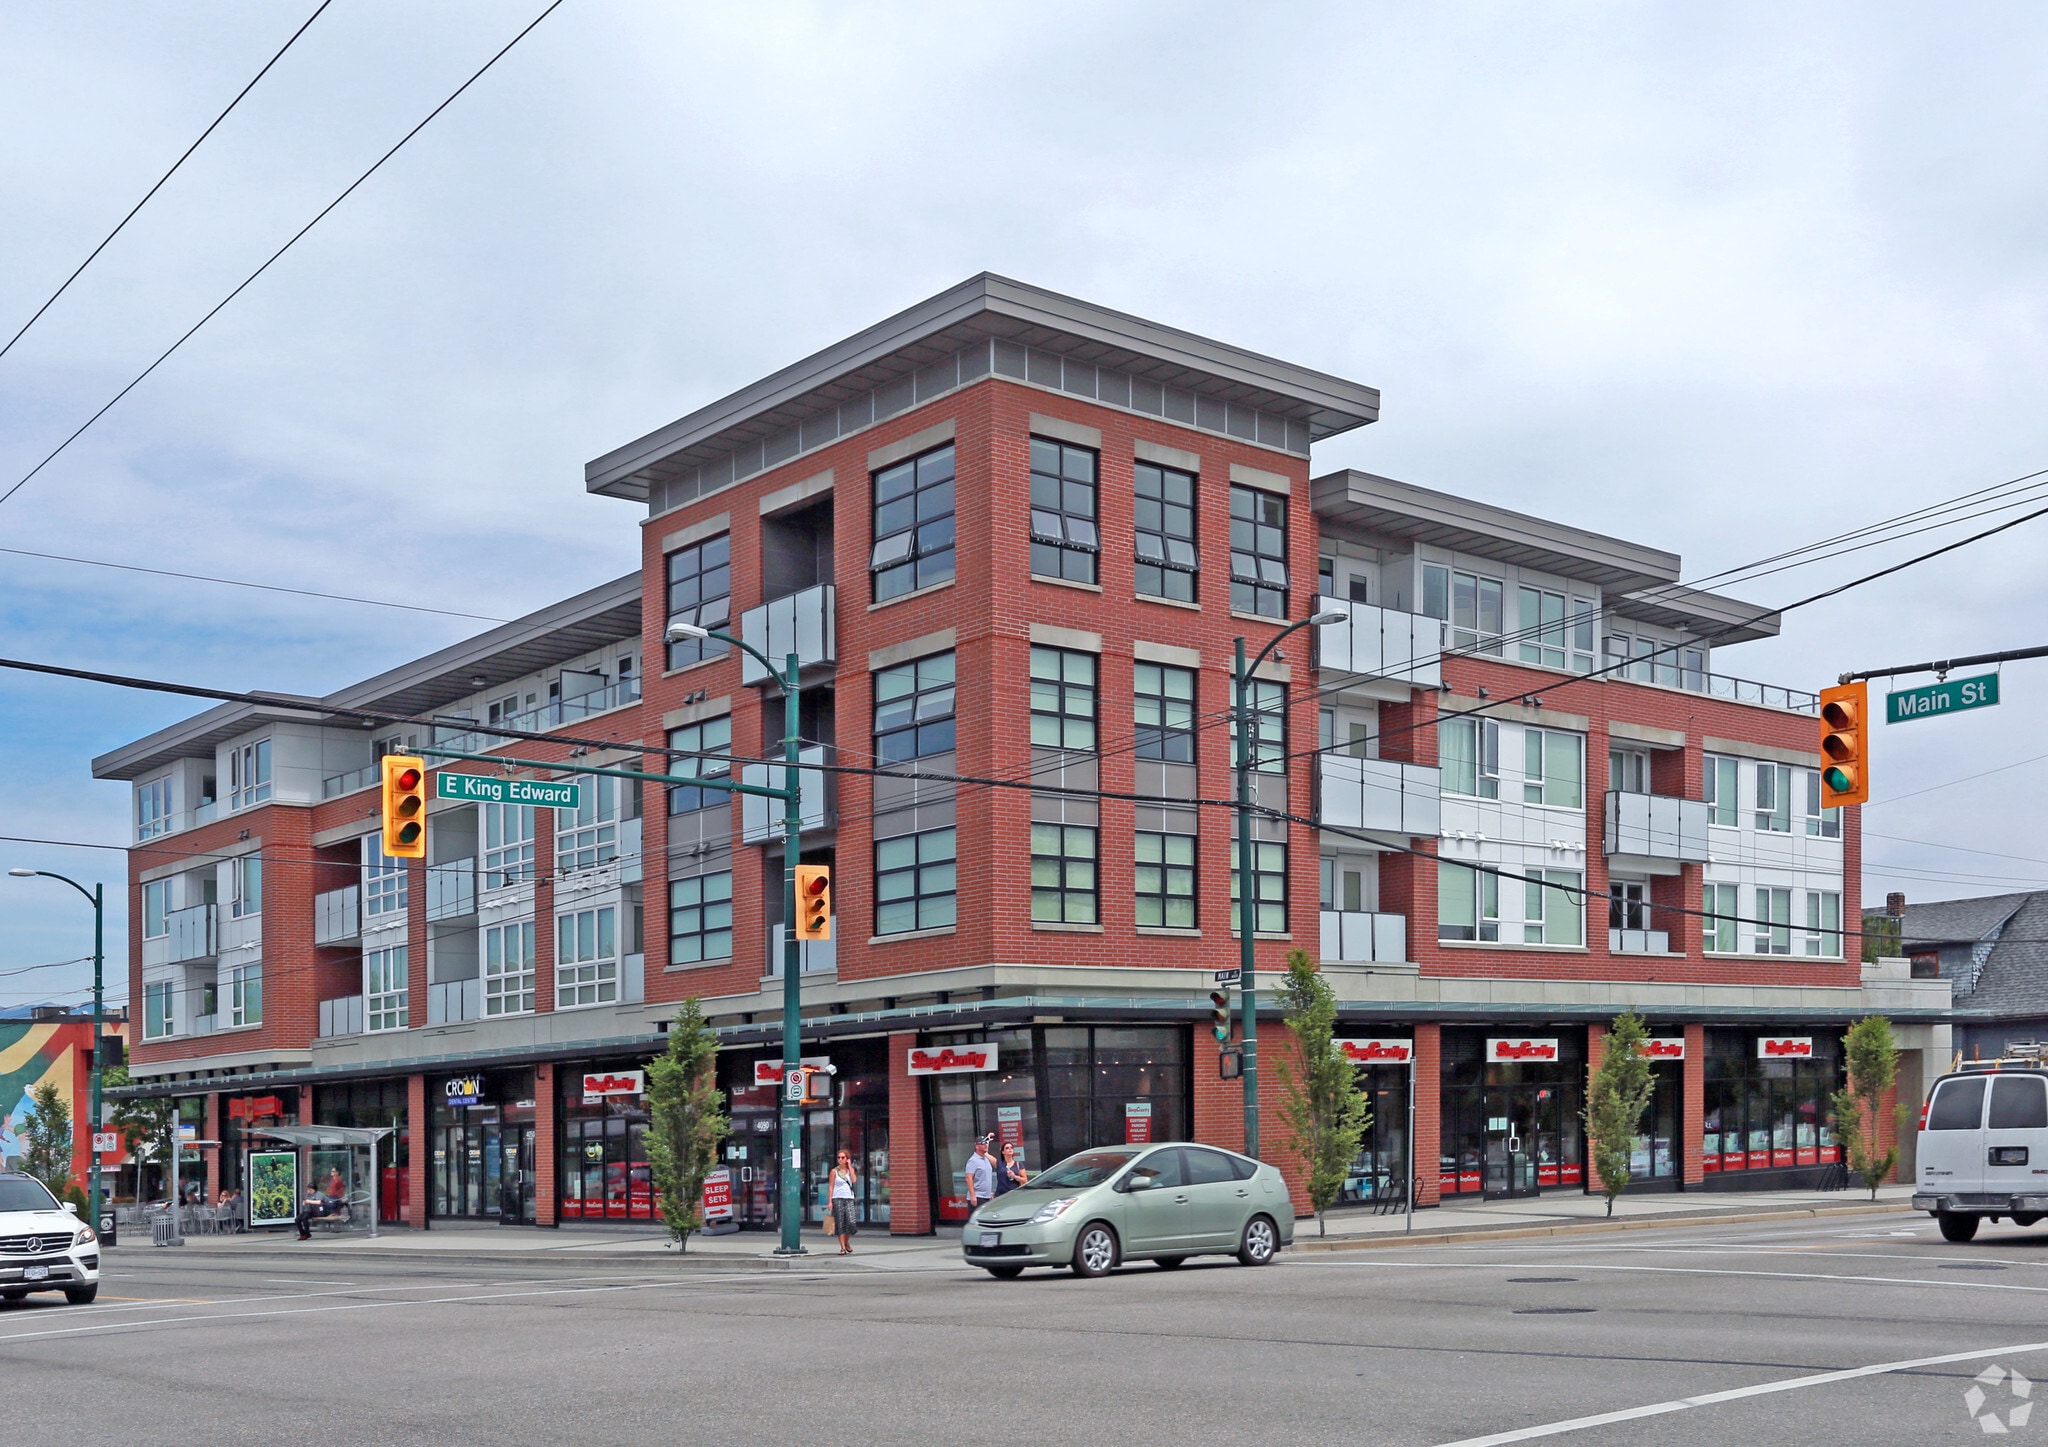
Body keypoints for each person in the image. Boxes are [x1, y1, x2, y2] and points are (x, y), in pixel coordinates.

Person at [828, 1149, 859, 1255]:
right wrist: (830, 1202)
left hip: (849, 1198)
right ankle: (842, 1248)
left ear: (847, 1159)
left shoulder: (851, 1170)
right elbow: (831, 1186)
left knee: (851, 1222)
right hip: (837, 1198)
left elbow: (854, 1180)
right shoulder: (834, 1171)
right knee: (840, 1223)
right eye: (839, 1157)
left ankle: (846, 1242)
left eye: (843, 1158)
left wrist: (850, 1167)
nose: (840, 1159)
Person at [962, 1135, 997, 1215]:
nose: (986, 1145)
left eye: (987, 1143)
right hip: (978, 1197)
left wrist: (990, 1192)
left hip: (986, 1196)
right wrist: (973, 1196)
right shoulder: (973, 1161)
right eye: (983, 1143)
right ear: (977, 1146)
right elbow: (968, 1178)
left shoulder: (986, 1158)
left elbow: (996, 1164)